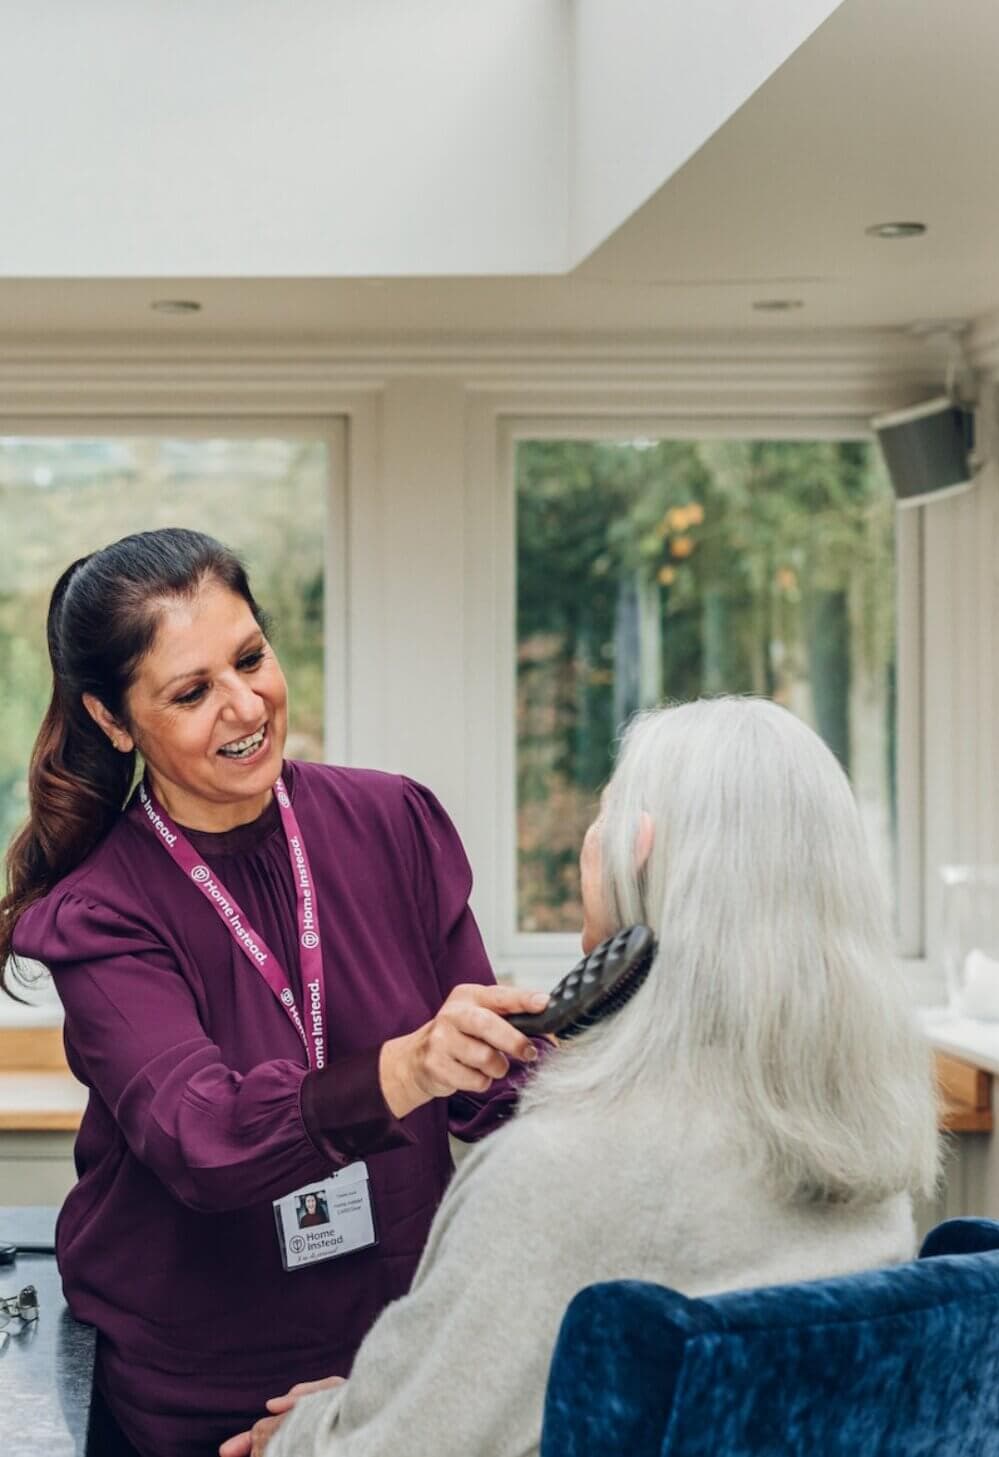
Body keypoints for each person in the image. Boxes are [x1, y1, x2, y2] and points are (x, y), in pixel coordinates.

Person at [221, 696, 940, 1457]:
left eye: (602, 815)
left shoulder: (555, 1174)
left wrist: (300, 1434)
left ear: (639, 852)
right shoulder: (868, 1163)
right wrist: (376, 1399)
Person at [0, 528, 550, 1457]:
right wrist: (405, 1068)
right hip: (200, 1395)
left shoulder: (393, 822)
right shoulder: (101, 909)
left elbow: (492, 1095)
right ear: (112, 720)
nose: (244, 703)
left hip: (391, 1369)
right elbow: (201, 1138)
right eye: (191, 690)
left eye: (251, 657)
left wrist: (564, 1058)